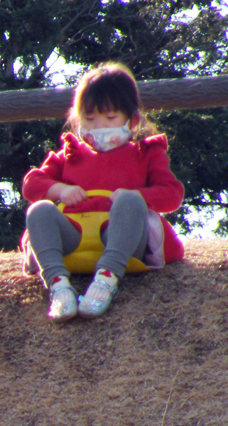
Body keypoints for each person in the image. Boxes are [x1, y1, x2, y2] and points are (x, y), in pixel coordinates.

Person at [20, 62, 184, 322]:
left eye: (109, 118)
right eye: (89, 118)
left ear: (131, 120)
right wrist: (59, 189)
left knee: (130, 200)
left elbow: (172, 193)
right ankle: (58, 284)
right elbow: (31, 184)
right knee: (39, 210)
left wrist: (138, 196)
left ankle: (106, 279)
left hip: (121, 237)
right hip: (73, 237)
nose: (98, 127)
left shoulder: (146, 153)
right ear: (78, 119)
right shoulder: (68, 154)